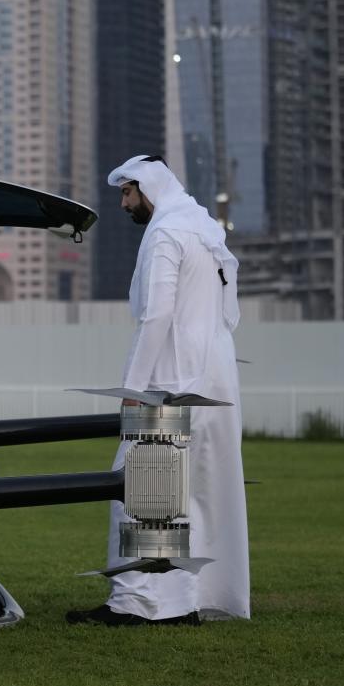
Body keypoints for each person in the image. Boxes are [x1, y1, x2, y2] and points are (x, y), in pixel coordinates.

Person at [66, 154, 250, 626]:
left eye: (128, 193)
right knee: (194, 493)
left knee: (140, 488)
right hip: (213, 375)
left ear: (148, 189)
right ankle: (184, 600)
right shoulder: (203, 227)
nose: (125, 203)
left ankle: (140, 604)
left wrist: (133, 388)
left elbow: (157, 316)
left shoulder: (167, 232)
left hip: (170, 378)